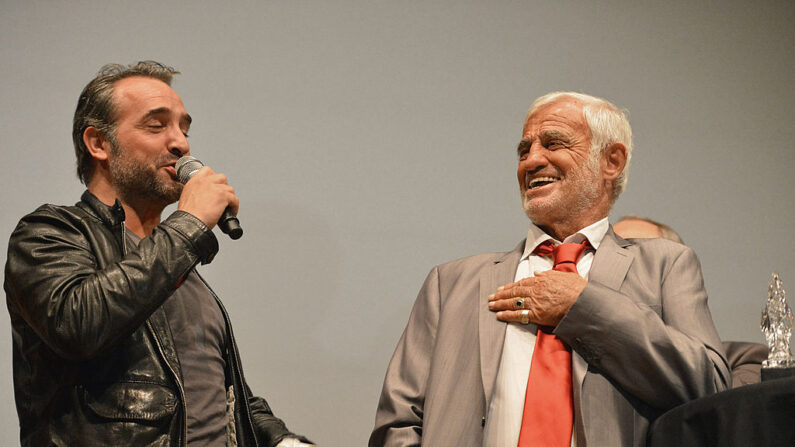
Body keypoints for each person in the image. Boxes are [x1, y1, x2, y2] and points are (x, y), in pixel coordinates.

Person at [370, 92, 730, 447]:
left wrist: (584, 306)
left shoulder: (666, 265)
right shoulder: (450, 284)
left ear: (612, 161)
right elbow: (398, 423)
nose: (531, 161)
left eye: (553, 143)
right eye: (524, 151)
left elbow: (710, 388)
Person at [4, 61, 312, 447]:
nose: (181, 143)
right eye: (157, 125)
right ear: (98, 143)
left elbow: (218, 393)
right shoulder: (51, 233)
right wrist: (190, 222)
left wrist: (282, 441)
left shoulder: (179, 265)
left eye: (184, 128)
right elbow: (77, 324)